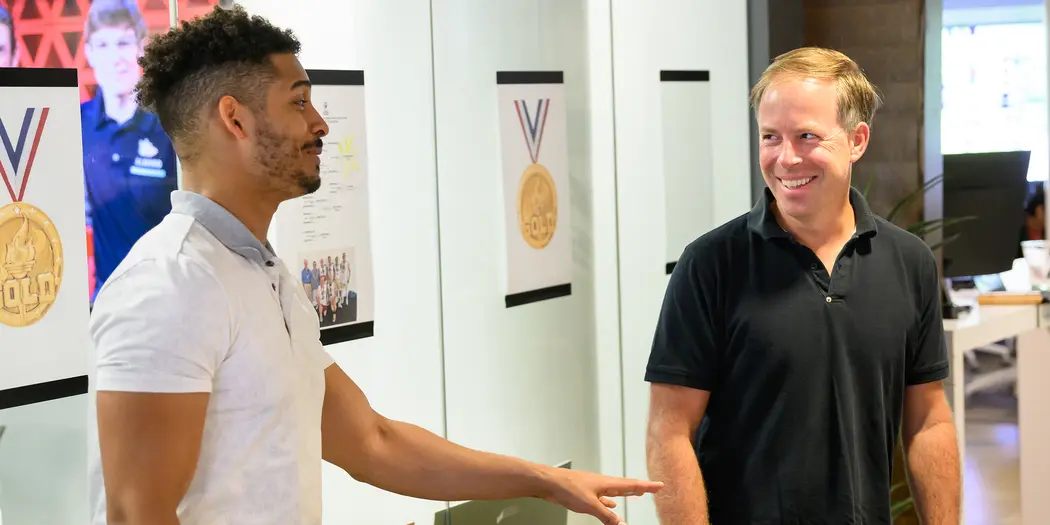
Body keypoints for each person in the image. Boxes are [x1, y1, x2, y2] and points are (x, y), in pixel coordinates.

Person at [88, 6, 661, 525]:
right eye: (298, 101)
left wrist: (545, 481)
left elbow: (372, 442)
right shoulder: (167, 286)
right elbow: (138, 515)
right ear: (234, 120)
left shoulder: (262, 275)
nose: (320, 124)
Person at [644, 47, 960, 524]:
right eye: (770, 137)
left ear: (857, 140)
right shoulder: (709, 264)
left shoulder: (909, 261)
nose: (785, 158)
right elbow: (668, 434)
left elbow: (928, 421)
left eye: (806, 136)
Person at [81, 0, 179, 302]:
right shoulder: (76, 124)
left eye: (123, 42)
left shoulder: (169, 124)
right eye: (104, 45)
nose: (115, 58)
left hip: (167, 296)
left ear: (141, 47)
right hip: (106, 301)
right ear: (89, 53)